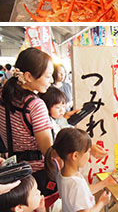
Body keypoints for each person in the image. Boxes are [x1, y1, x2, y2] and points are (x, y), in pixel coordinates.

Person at [0, 48, 55, 200]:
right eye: (48, 76)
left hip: (12, 173)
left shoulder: (3, 97)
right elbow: (48, 152)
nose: (51, 80)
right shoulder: (35, 105)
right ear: (28, 76)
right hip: (36, 177)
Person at [49, 128, 113, 212]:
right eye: (88, 152)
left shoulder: (62, 173)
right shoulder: (76, 183)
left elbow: (84, 191)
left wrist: (105, 182)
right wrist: (101, 203)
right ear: (75, 155)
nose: (89, 155)